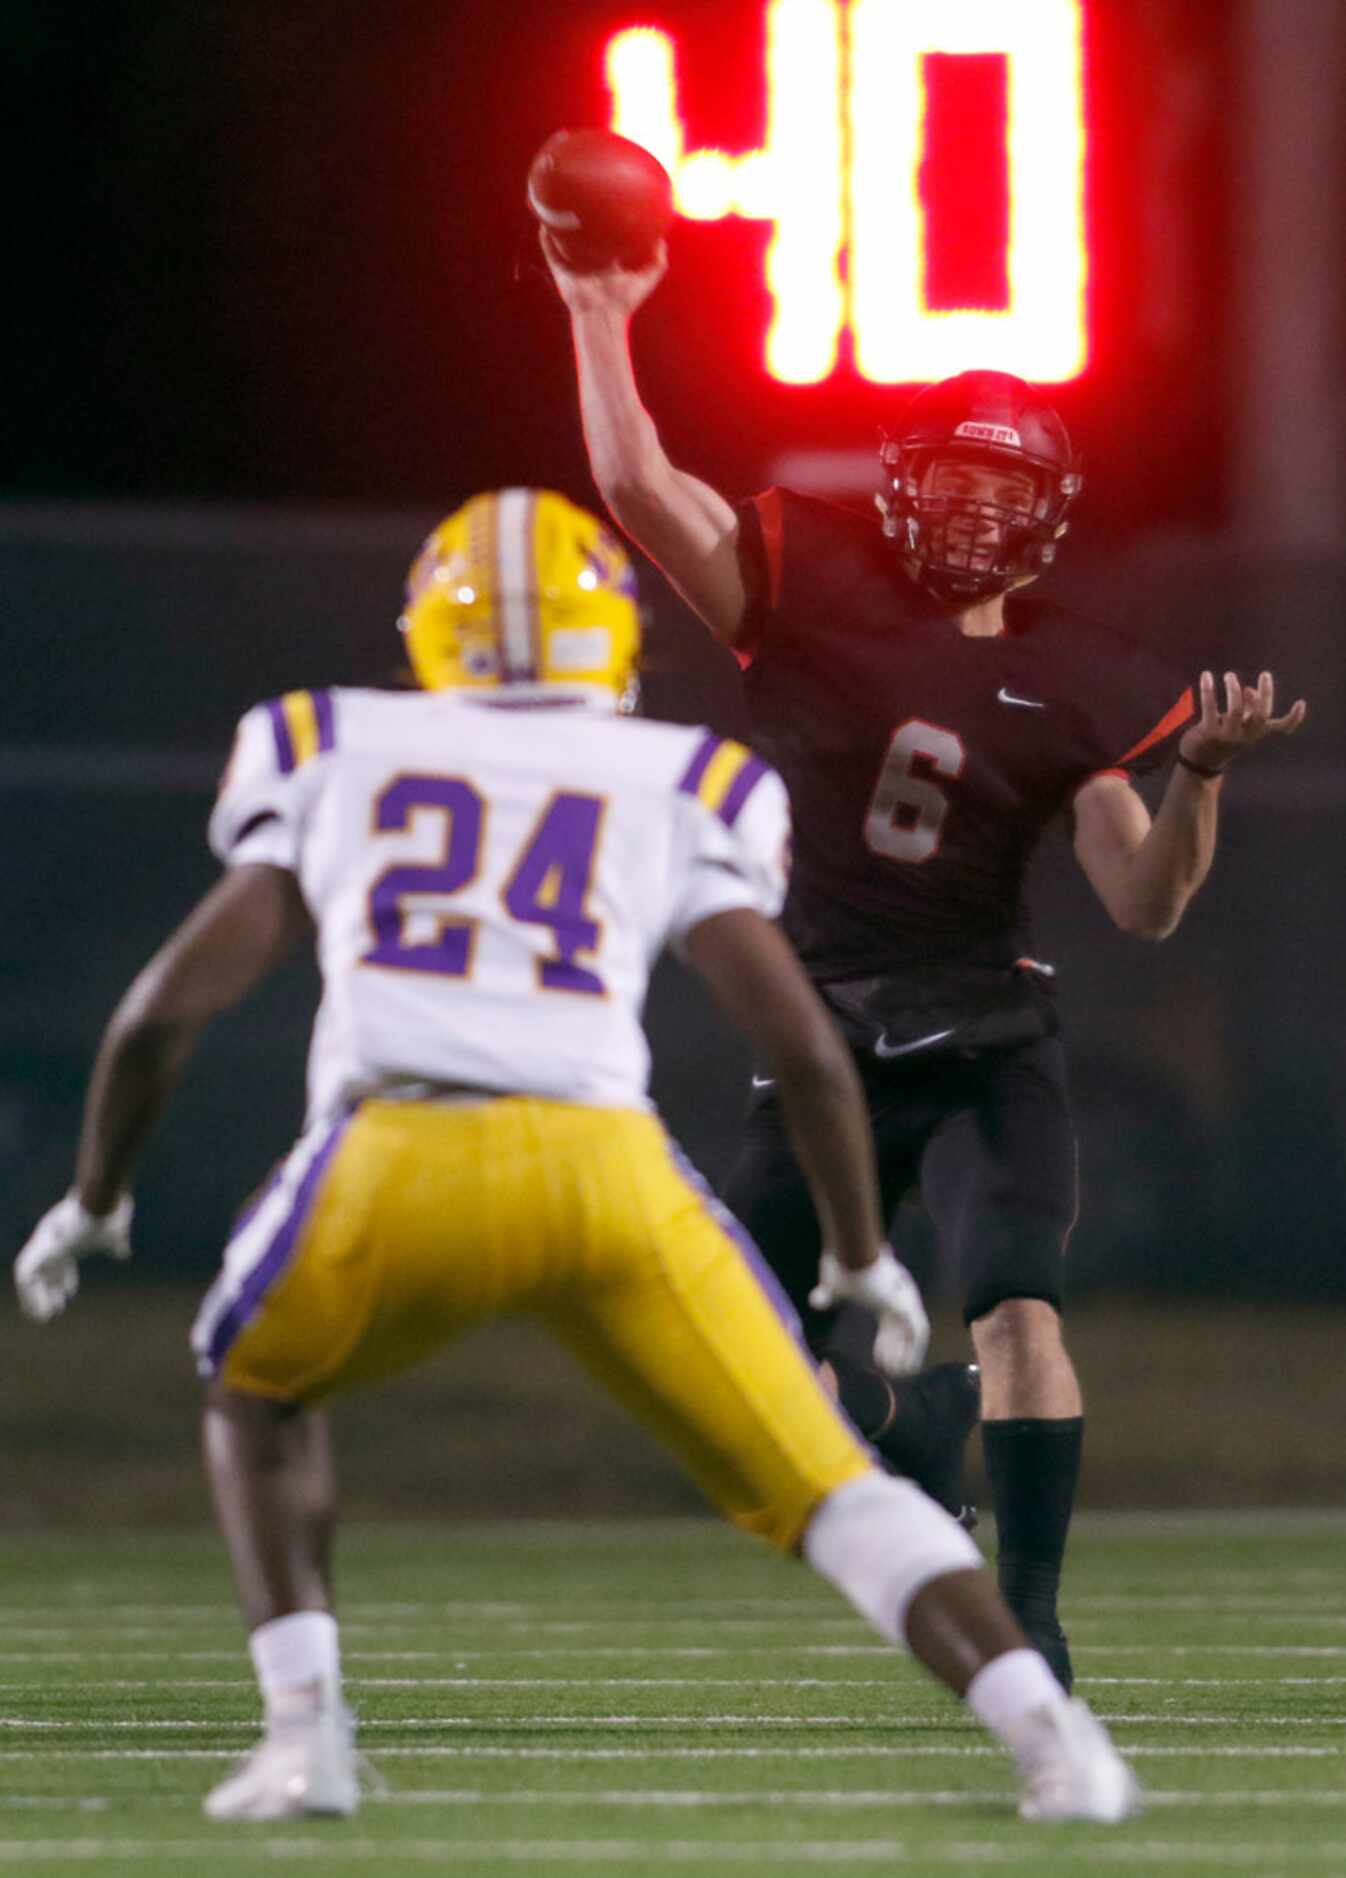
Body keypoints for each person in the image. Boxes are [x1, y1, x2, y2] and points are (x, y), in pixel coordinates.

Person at [14, 488, 1139, 1826]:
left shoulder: (326, 740)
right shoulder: (676, 773)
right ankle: (1054, 1741)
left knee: (255, 1387)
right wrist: (856, 1255)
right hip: (610, 1174)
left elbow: (163, 1012)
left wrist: (94, 1195)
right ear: (610, 633)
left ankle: (305, 1732)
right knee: (828, 1488)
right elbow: (799, 1035)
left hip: (395, 1160)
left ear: (429, 625)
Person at [542, 234, 1308, 1690]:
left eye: (996, 491)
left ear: (1047, 515)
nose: (964, 514)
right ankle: (913, 1433)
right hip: (821, 1043)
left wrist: (1198, 774)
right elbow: (640, 485)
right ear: (895, 478)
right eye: (945, 480)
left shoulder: (1075, 670)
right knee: (750, 1383)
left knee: (1018, 1307)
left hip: (984, 1039)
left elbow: (1141, 902)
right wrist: (598, 315)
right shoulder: (809, 582)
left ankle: (1029, 1613)